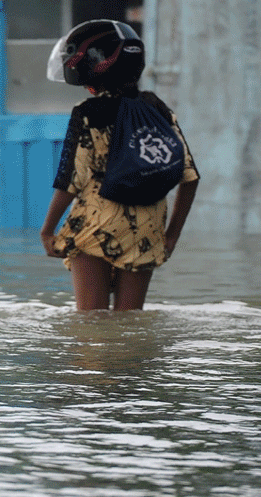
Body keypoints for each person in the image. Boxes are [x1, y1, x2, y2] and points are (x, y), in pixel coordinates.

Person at [39, 19, 199, 310]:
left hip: (97, 219)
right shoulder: (158, 108)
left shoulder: (88, 112)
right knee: (130, 323)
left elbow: (70, 181)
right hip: (148, 224)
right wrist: (172, 235)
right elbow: (190, 177)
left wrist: (47, 230)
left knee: (92, 327)